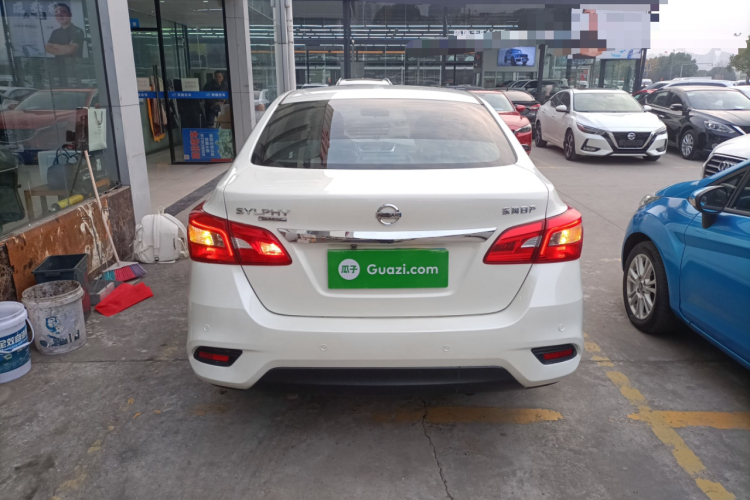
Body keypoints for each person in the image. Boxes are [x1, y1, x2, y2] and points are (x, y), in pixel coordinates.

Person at [45, 3, 84, 87]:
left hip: (73, 69)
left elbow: (71, 50)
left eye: (63, 12)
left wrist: (55, 47)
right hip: (58, 68)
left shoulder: (77, 31)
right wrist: (66, 48)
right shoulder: (55, 32)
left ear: (70, 14)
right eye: (57, 13)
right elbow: (47, 48)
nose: (60, 15)